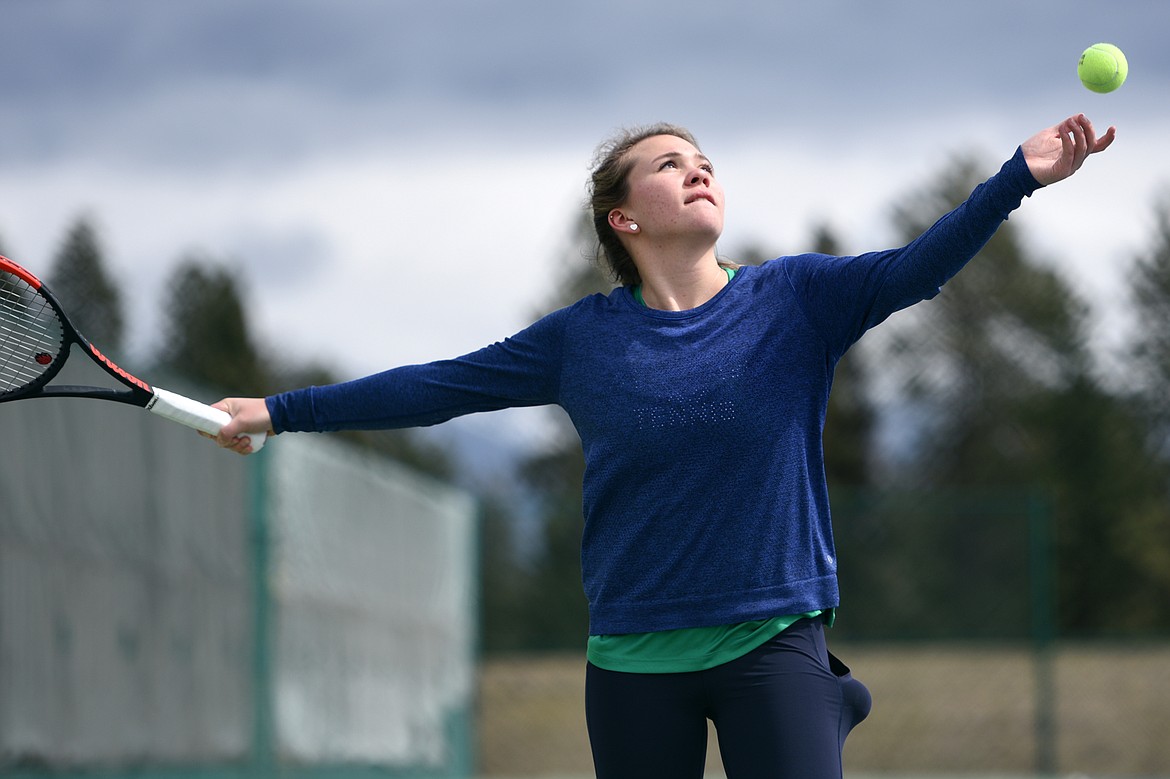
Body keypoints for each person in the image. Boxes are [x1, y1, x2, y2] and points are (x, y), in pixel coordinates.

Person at [211, 114, 1115, 779]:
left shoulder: (796, 299)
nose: (698, 172)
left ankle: (819, 703)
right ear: (622, 219)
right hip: (634, 659)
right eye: (669, 164)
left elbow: (916, 268)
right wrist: (279, 409)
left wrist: (1018, 176)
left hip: (773, 639)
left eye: (706, 162)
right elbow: (434, 387)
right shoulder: (581, 341)